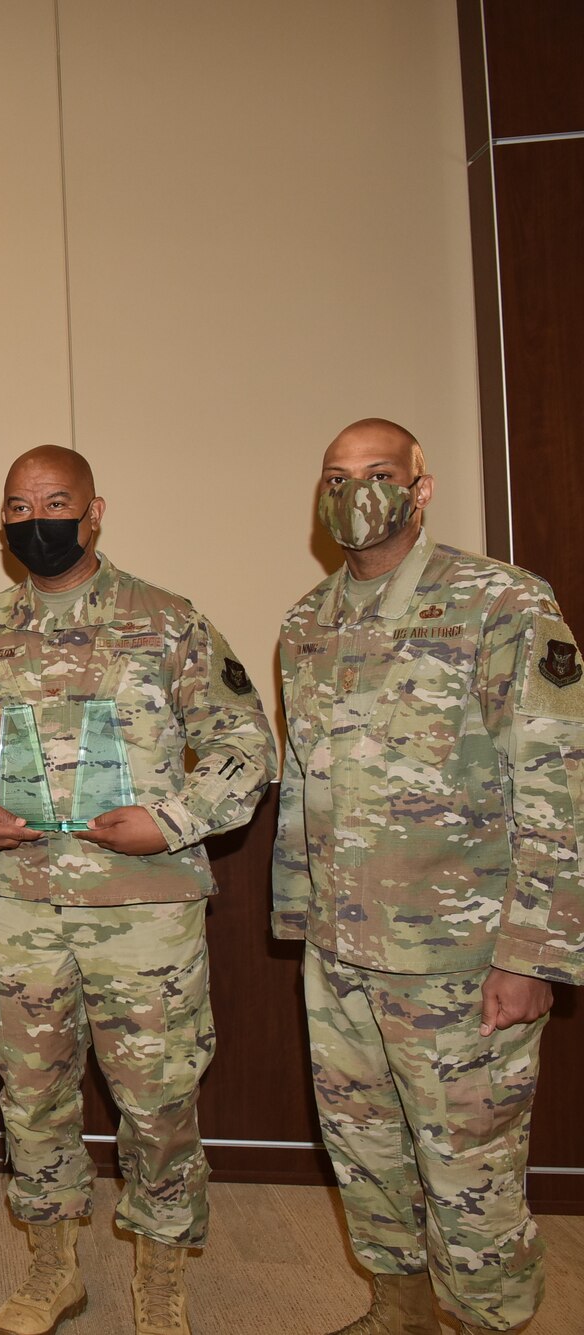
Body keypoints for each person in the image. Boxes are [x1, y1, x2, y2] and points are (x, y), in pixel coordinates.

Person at [0, 446, 274, 1335]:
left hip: (144, 910)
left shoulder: (166, 621)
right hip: (28, 908)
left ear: (95, 510)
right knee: (31, 1092)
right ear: (2, 521)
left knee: (156, 1098)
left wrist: (175, 816)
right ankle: (52, 1266)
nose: (37, 517)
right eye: (20, 504)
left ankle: (161, 1274)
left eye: (56, 501)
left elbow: (245, 742)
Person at [274, 418, 581, 1335]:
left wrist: (534, 952)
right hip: (340, 952)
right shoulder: (308, 619)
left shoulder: (503, 604)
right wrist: (299, 918)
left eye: (377, 472)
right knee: (365, 1154)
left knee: (470, 1177)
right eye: (336, 474)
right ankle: (399, 1311)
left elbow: (559, 785)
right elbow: (303, 784)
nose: (354, 490)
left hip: (462, 960)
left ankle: (491, 1322)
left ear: (422, 485)